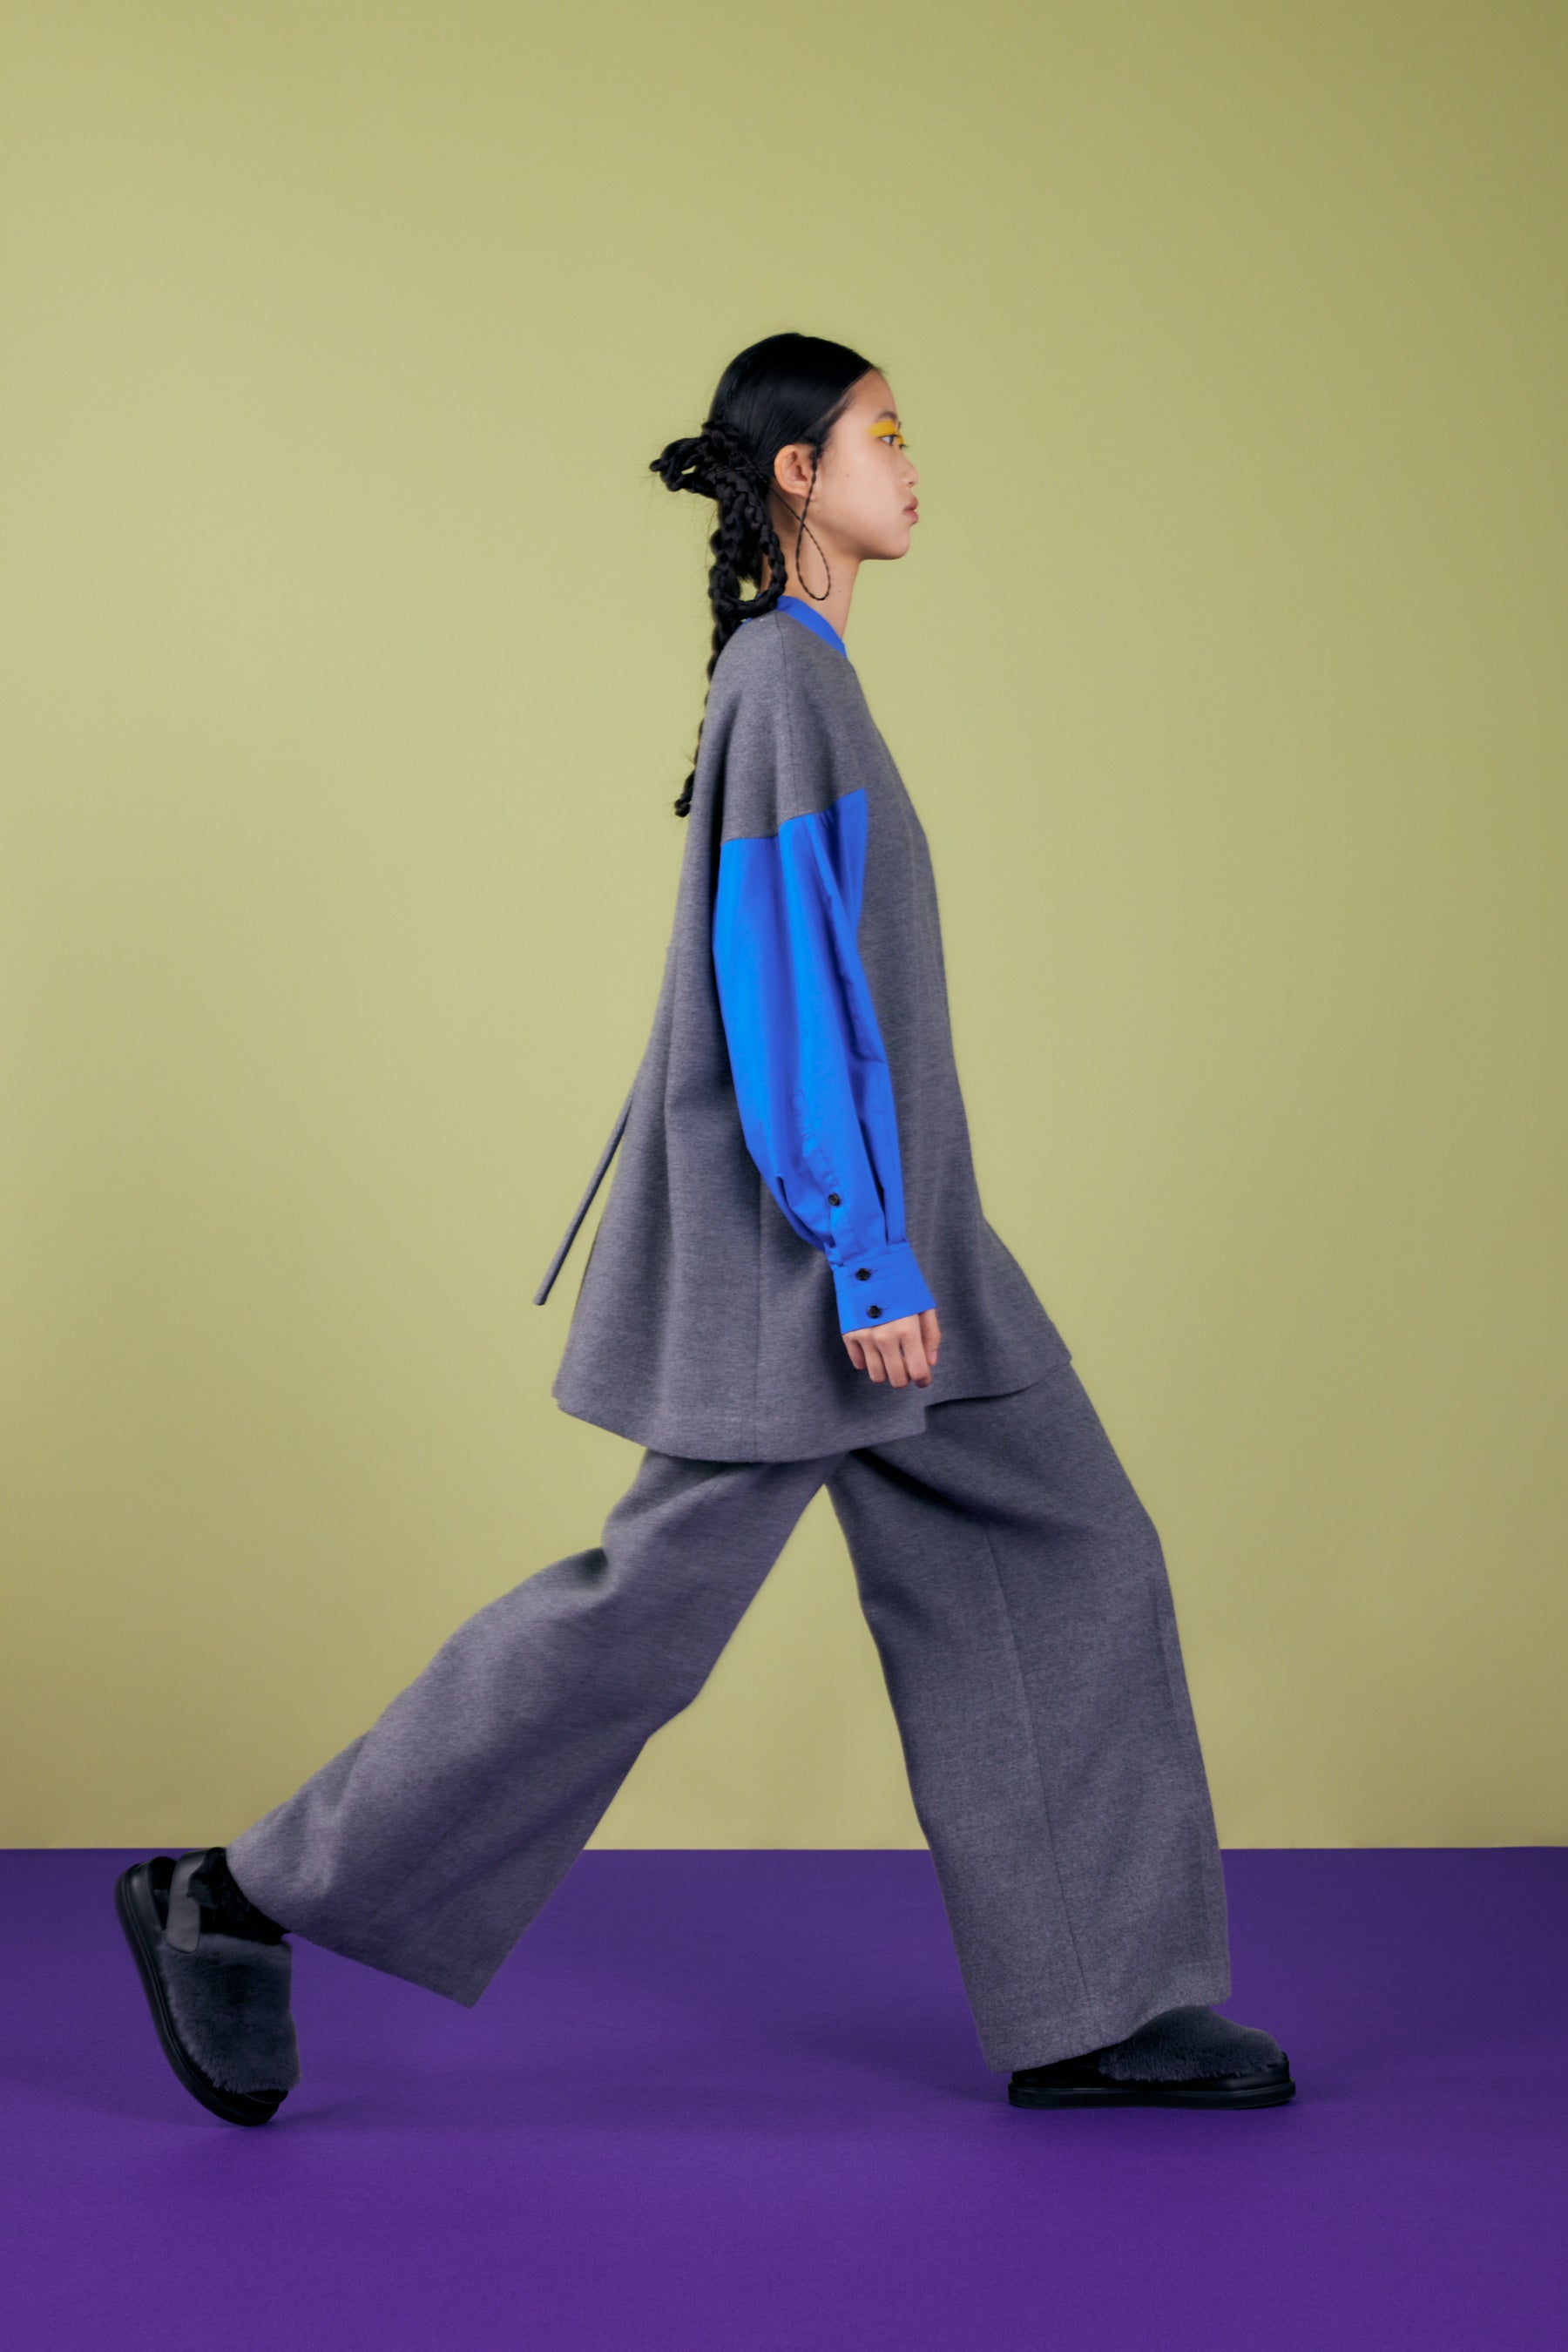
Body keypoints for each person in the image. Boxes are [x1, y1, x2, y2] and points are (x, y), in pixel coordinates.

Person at [115, 331, 1294, 2126]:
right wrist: (866, 1257)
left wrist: (910, 1244)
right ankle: (236, 1896)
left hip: (919, 1247)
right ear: (799, 474)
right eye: (883, 433)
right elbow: (785, 988)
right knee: (636, 1624)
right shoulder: (782, 681)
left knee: (1076, 1550)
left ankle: (1098, 2003)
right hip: (815, 1265)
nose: (915, 461)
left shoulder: (809, 677)